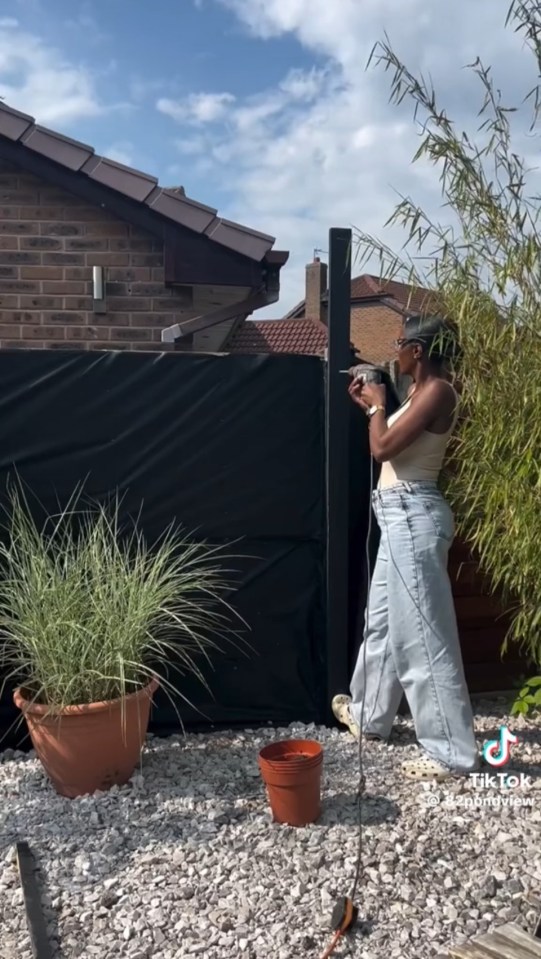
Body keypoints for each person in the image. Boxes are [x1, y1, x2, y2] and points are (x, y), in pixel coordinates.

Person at [332, 313, 479, 781]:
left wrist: (377, 408)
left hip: (413, 516)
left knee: (422, 635)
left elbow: (383, 449)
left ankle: (453, 752)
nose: (394, 351)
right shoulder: (419, 393)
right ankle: (371, 716)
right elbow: (390, 441)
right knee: (382, 622)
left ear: (418, 350)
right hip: (399, 516)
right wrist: (372, 407)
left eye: (399, 342)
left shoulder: (439, 390)